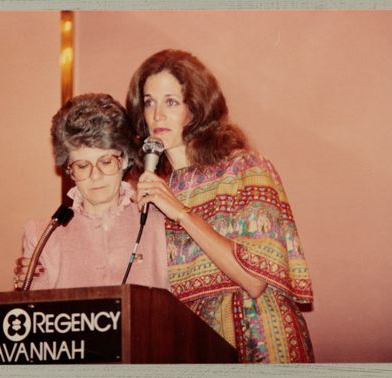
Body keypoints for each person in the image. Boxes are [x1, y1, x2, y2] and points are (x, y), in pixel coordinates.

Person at [127, 49, 314, 363]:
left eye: (171, 101)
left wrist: (181, 213)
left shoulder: (245, 169)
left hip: (260, 337)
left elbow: (254, 281)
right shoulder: (149, 191)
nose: (157, 115)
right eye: (149, 102)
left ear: (195, 108)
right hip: (189, 344)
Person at [14, 93, 169, 291]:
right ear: (70, 170)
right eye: (82, 166)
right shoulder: (42, 236)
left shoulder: (159, 224)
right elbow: (38, 315)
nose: (95, 176)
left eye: (106, 162)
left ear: (124, 160)